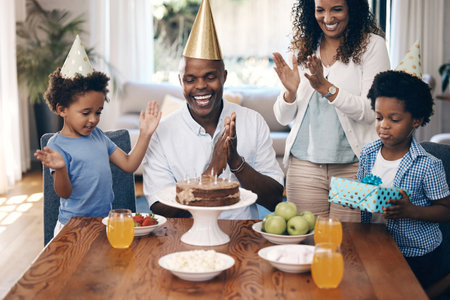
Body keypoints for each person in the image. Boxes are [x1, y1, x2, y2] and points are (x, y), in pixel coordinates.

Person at [143, 0, 284, 219]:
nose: (200, 86)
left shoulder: (253, 121)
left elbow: (274, 199)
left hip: (241, 237)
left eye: (210, 77)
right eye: (191, 79)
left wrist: (235, 162)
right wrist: (210, 174)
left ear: (224, 77)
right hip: (186, 239)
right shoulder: (162, 134)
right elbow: (160, 206)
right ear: (181, 81)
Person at [272, 0, 390, 222]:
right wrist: (290, 93)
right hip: (304, 167)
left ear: (352, 9)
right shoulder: (304, 47)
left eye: (336, 9)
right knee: (307, 243)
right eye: (320, 10)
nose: (327, 18)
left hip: (353, 168)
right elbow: (282, 117)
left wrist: (326, 88)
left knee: (350, 244)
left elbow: (372, 111)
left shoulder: (373, 45)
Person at [34, 36, 161, 235]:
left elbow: (129, 164)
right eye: (86, 113)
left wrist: (145, 134)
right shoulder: (56, 145)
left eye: (98, 112)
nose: (93, 119)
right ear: (62, 109)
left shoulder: (98, 136)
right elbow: (64, 193)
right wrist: (60, 169)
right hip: (72, 228)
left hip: (103, 223)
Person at [359, 70, 450, 293]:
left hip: (416, 253)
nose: (384, 125)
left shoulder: (428, 164)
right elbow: (365, 194)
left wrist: (410, 210)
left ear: (416, 120)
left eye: (394, 119)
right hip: (376, 244)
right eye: (379, 117)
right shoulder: (368, 153)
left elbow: (446, 210)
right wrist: (356, 195)